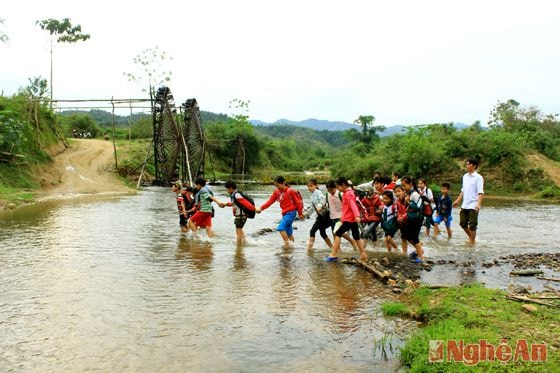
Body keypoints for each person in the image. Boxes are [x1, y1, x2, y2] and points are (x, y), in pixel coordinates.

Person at [325, 177, 368, 262]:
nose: (337, 189)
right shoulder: (347, 192)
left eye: (338, 187)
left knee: (338, 233)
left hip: (350, 219)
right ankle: (363, 254)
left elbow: (353, 205)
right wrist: (342, 217)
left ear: (343, 185)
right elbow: (345, 207)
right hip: (349, 219)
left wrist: (357, 216)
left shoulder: (348, 194)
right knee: (357, 237)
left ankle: (333, 254)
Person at [256, 176, 304, 248]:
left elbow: (298, 203)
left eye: (278, 185)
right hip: (285, 214)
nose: (277, 187)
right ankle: (293, 247)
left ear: (283, 183)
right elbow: (270, 201)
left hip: (291, 213)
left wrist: (300, 214)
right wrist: (261, 208)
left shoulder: (290, 191)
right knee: (289, 233)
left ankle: (287, 245)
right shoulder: (277, 192)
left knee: (281, 228)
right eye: (276, 186)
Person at [453, 158, 484, 245]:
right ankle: (471, 238)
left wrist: (478, 204)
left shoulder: (478, 177)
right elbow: (463, 190)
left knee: (473, 225)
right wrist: (457, 201)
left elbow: (481, 192)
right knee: (462, 223)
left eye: (468, 164)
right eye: (466, 164)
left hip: (474, 204)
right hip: (465, 204)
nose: (467, 166)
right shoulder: (465, 176)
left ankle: (472, 242)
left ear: (474, 166)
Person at [219, 180, 256, 246]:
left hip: (241, 216)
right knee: (240, 229)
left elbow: (245, 203)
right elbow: (235, 204)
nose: (226, 190)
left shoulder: (237, 194)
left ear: (230, 188)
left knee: (238, 231)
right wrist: (226, 204)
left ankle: (238, 246)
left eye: (227, 189)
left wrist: (255, 209)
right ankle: (244, 242)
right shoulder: (235, 194)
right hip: (241, 215)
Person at [325, 180, 359, 251]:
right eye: (328, 190)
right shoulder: (327, 194)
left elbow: (348, 205)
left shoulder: (341, 194)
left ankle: (352, 242)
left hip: (341, 216)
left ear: (335, 188)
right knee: (335, 233)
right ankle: (338, 250)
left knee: (338, 232)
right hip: (332, 216)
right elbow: (327, 204)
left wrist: (355, 215)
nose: (330, 192)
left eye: (331, 190)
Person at [400, 176, 426, 262]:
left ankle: (421, 257)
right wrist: (403, 200)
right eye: (402, 186)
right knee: (407, 236)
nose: (403, 188)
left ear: (410, 184)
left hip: (417, 218)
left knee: (415, 237)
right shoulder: (408, 193)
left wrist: (409, 202)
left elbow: (419, 207)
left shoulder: (415, 194)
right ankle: (420, 251)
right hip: (411, 218)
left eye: (404, 186)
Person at [304, 179, 333, 250]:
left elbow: (323, 200)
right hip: (320, 216)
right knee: (322, 233)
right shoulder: (312, 196)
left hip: (323, 215)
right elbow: (312, 208)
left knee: (312, 231)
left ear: (316, 186)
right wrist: (306, 215)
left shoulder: (318, 192)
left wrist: (319, 206)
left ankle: (309, 249)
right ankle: (332, 247)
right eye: (308, 186)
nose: (309, 188)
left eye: (311, 186)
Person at [393, 184, 409, 254]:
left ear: (403, 191)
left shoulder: (406, 199)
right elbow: (398, 211)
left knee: (411, 238)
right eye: (395, 192)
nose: (397, 193)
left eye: (399, 191)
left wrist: (403, 217)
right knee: (403, 237)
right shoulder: (397, 201)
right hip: (402, 221)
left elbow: (409, 210)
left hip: (408, 221)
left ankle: (419, 249)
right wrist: (399, 217)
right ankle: (404, 252)